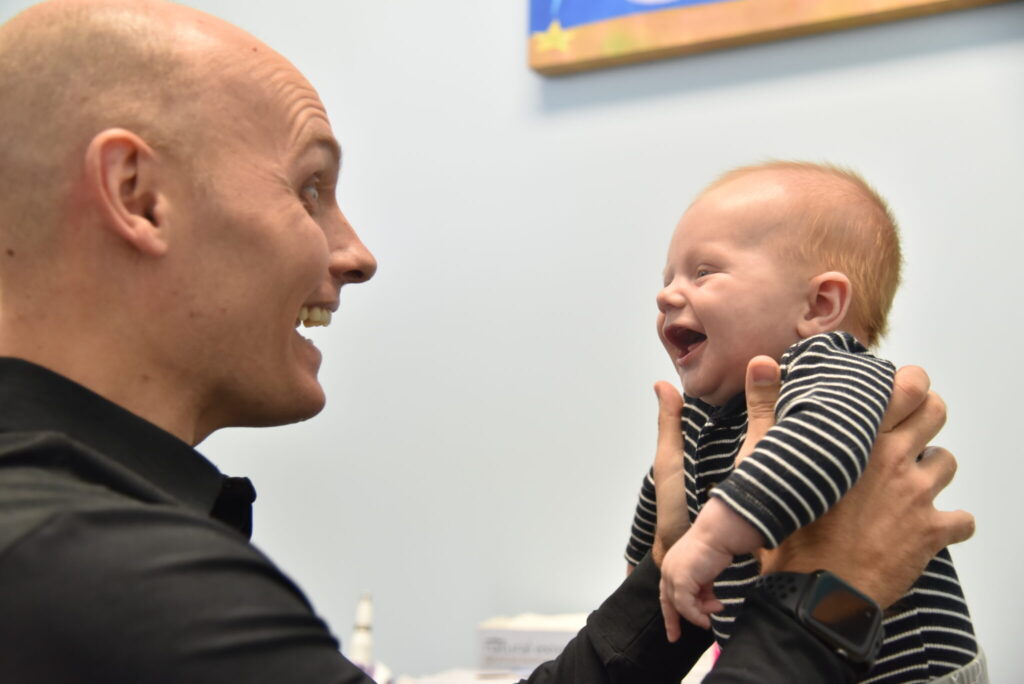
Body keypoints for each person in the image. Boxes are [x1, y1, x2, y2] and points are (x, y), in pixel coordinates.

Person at [0, 2, 974, 682]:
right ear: (138, 195)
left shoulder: (76, 544)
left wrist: (672, 565)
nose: (357, 253)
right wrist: (835, 598)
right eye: (309, 188)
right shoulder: (102, 573)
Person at [625, 163, 982, 681]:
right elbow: (661, 515)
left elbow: (821, 445)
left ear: (819, 305)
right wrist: (645, 570)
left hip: (911, 670)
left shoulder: (833, 371)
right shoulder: (703, 416)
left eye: (703, 273)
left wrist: (712, 540)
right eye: (667, 279)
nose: (666, 295)